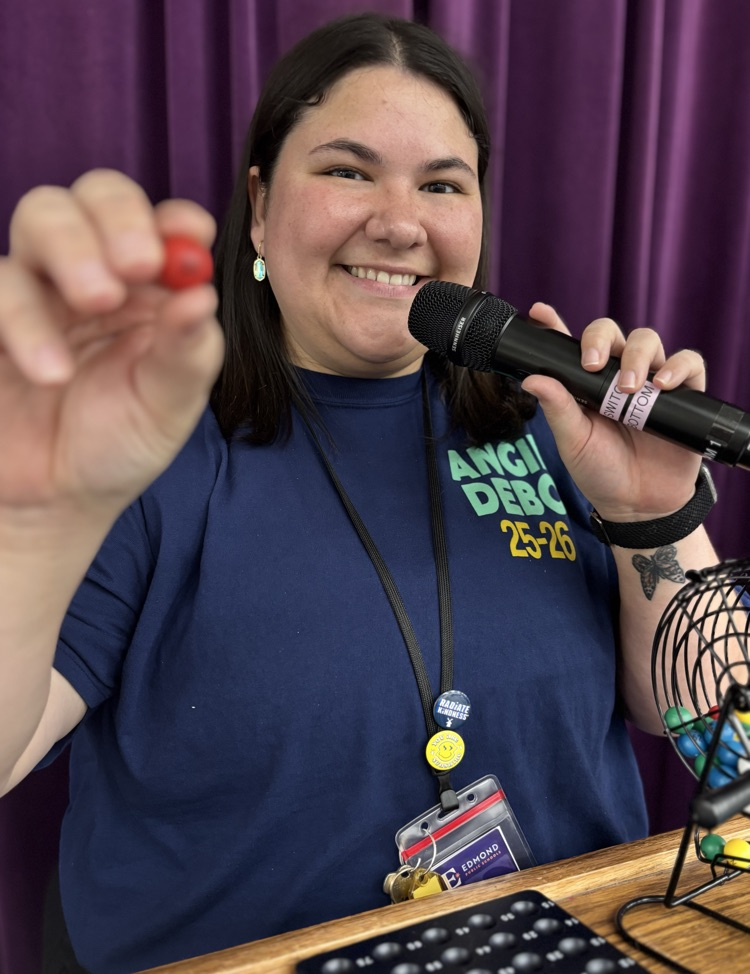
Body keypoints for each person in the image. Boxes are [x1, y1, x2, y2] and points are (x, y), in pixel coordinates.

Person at [0, 11, 720, 974]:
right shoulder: (140, 448)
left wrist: (652, 514)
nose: (399, 220)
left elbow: (716, 736)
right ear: (259, 206)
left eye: (442, 184)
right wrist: (31, 522)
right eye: (348, 170)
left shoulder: (559, 427)